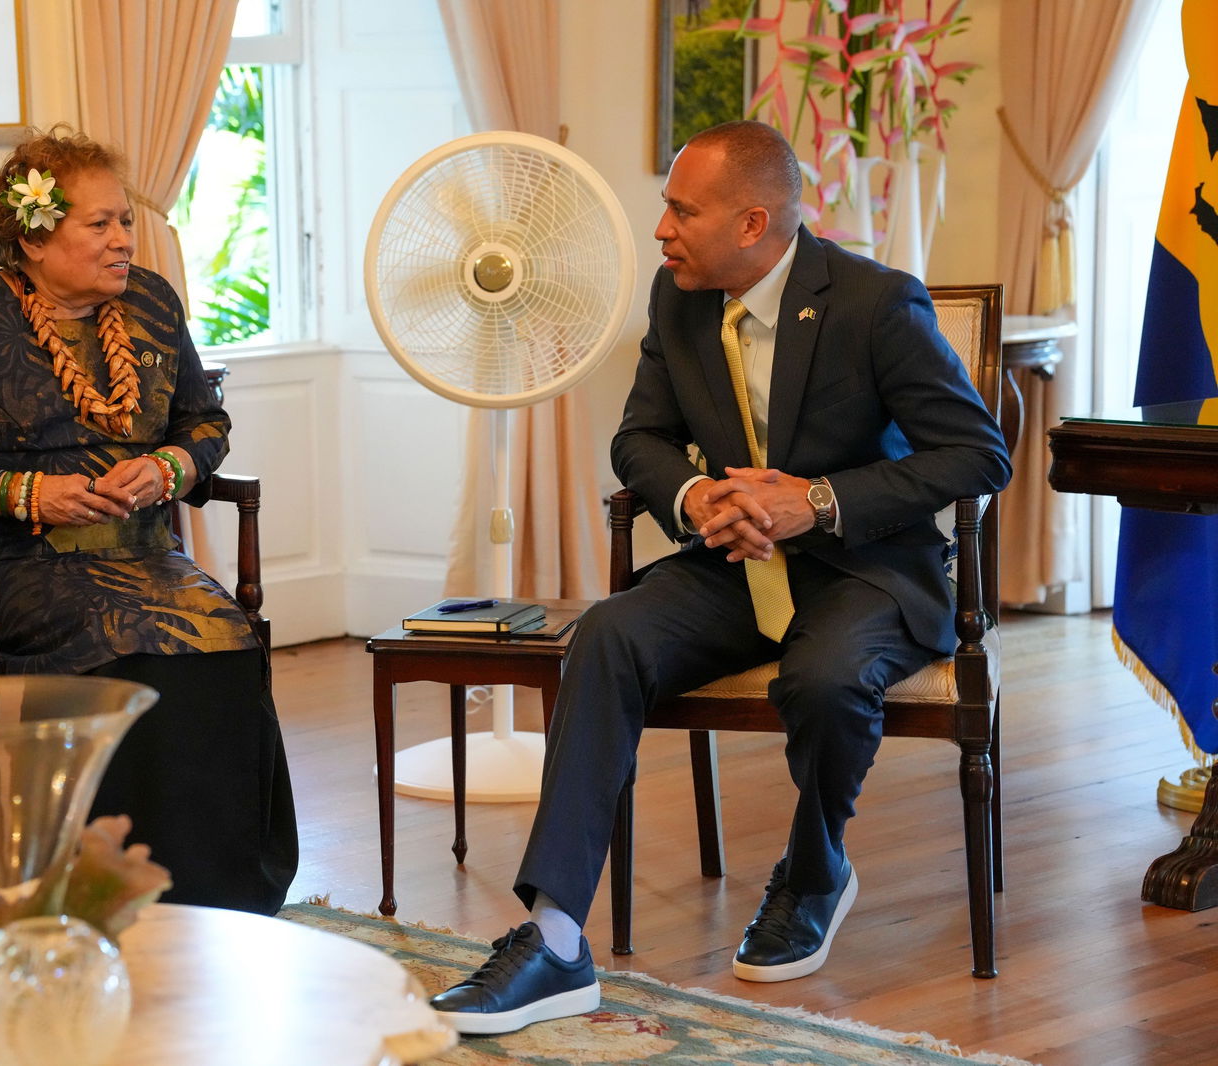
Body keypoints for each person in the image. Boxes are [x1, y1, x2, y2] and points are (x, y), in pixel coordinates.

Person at [429, 120, 1011, 1034]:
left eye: (678, 209)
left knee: (822, 679)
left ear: (751, 223)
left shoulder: (875, 303)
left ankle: (814, 873)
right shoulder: (680, 300)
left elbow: (978, 455)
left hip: (864, 569)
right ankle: (554, 942)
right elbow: (640, 439)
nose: (659, 228)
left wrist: (814, 500)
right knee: (608, 634)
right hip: (734, 566)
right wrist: (698, 495)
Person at [0, 126, 297, 915]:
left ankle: (229, 899)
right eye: (100, 225)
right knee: (131, 648)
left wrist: (168, 468)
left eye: (124, 221)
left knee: (225, 641)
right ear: (31, 237)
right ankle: (108, 890)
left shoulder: (153, 305)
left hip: (135, 556)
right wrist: (23, 492)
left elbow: (205, 424)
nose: (124, 240)